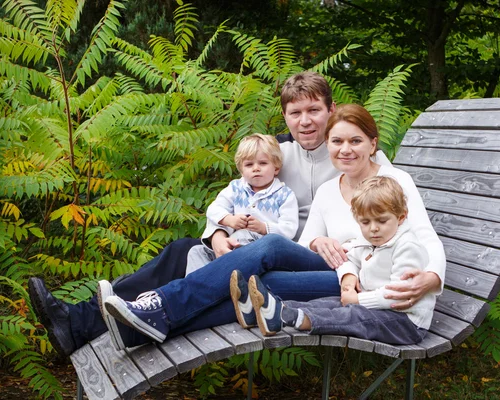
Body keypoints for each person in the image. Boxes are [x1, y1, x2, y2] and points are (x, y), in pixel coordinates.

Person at [28, 72, 442, 356]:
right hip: (282, 250)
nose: (306, 122)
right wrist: (217, 234)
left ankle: (151, 312)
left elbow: (422, 237)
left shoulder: (375, 170)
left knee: (256, 271)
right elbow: (245, 195)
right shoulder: (283, 154)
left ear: (332, 112)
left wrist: (431, 276)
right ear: (284, 117)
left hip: (339, 267)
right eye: (295, 114)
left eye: (315, 111)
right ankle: (81, 321)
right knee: (181, 250)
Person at [241, 175, 433, 345]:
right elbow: (349, 258)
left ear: (401, 217)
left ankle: (292, 318)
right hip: (375, 307)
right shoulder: (369, 239)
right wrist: (348, 276)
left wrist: (357, 299)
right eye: (365, 222)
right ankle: (266, 312)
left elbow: (400, 295)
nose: (373, 228)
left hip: (405, 322)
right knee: (327, 302)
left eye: (382, 221)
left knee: (352, 314)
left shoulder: (407, 247)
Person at [185, 133, 298, 273]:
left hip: (262, 248)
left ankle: (230, 280)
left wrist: (264, 227)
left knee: (244, 235)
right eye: (249, 164)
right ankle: (196, 288)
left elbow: (290, 228)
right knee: (196, 251)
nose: (256, 168)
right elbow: (214, 209)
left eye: (263, 163)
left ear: (276, 168)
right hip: (230, 245)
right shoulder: (235, 188)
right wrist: (229, 220)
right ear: (242, 170)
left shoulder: (284, 194)